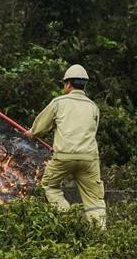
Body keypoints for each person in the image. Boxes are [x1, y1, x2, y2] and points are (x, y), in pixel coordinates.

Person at [25, 64, 106, 229]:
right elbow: (90, 132)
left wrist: (31, 133)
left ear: (68, 84)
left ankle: (68, 218)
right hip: (89, 159)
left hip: (64, 157)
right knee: (95, 199)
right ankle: (99, 234)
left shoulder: (58, 102)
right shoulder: (94, 107)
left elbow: (40, 129)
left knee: (49, 185)